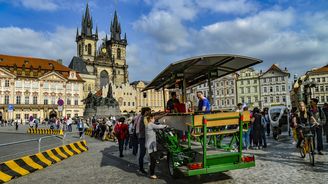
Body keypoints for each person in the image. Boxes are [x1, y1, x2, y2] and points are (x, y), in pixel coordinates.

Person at [145, 114, 167, 179]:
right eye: (153, 118)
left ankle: (160, 157)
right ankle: (152, 174)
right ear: (151, 119)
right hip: (150, 146)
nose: (154, 119)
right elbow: (158, 126)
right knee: (153, 161)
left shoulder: (147, 125)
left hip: (150, 145)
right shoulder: (150, 124)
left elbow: (157, 126)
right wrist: (166, 125)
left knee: (153, 158)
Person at [136, 107, 151, 174]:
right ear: (146, 112)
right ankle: (141, 169)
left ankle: (141, 168)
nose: (150, 113)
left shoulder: (142, 117)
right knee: (142, 154)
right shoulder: (144, 118)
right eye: (149, 111)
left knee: (143, 153)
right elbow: (147, 126)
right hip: (143, 138)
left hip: (142, 137)